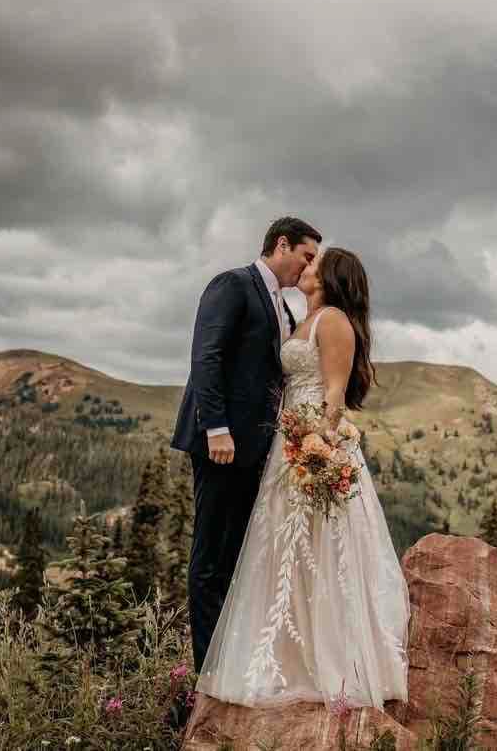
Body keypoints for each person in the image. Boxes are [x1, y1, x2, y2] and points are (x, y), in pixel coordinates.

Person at [194, 246, 410, 712]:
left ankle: (328, 661)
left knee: (321, 548)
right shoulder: (302, 319)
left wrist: (320, 446)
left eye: (315, 262)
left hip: (312, 444)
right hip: (286, 444)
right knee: (279, 548)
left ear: (329, 277)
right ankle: (284, 657)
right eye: (306, 257)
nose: (306, 267)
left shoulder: (333, 321)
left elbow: (334, 392)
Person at [171, 217, 322, 675]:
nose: (308, 266)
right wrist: (216, 427)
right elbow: (207, 356)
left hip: (255, 453)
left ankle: (230, 661)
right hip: (222, 445)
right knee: (211, 559)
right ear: (281, 244)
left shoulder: (285, 307)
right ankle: (207, 674)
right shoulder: (233, 285)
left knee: (236, 556)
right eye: (306, 256)